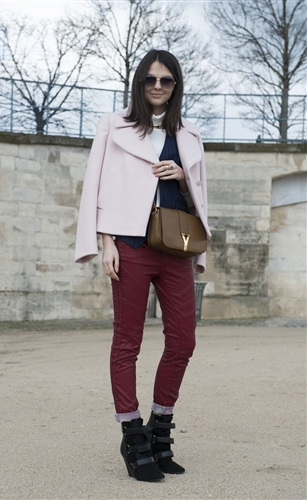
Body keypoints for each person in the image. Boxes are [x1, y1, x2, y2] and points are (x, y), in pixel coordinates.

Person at [75, 49, 211, 482]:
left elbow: (201, 198)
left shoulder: (189, 134)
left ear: (176, 86)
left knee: (183, 341)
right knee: (127, 342)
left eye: (166, 80)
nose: (157, 86)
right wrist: (106, 241)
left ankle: (160, 427)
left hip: (176, 248)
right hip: (130, 245)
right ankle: (132, 433)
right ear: (139, 82)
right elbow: (97, 183)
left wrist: (182, 176)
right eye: (150, 79)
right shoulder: (113, 125)